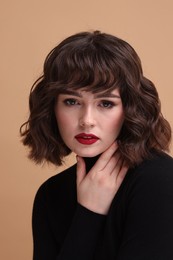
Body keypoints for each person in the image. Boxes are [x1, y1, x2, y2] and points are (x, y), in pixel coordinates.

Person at [20, 31, 173, 260]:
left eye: (106, 103)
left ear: (129, 109)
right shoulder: (50, 195)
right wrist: (89, 213)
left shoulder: (159, 180)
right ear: (52, 108)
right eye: (71, 102)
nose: (87, 120)